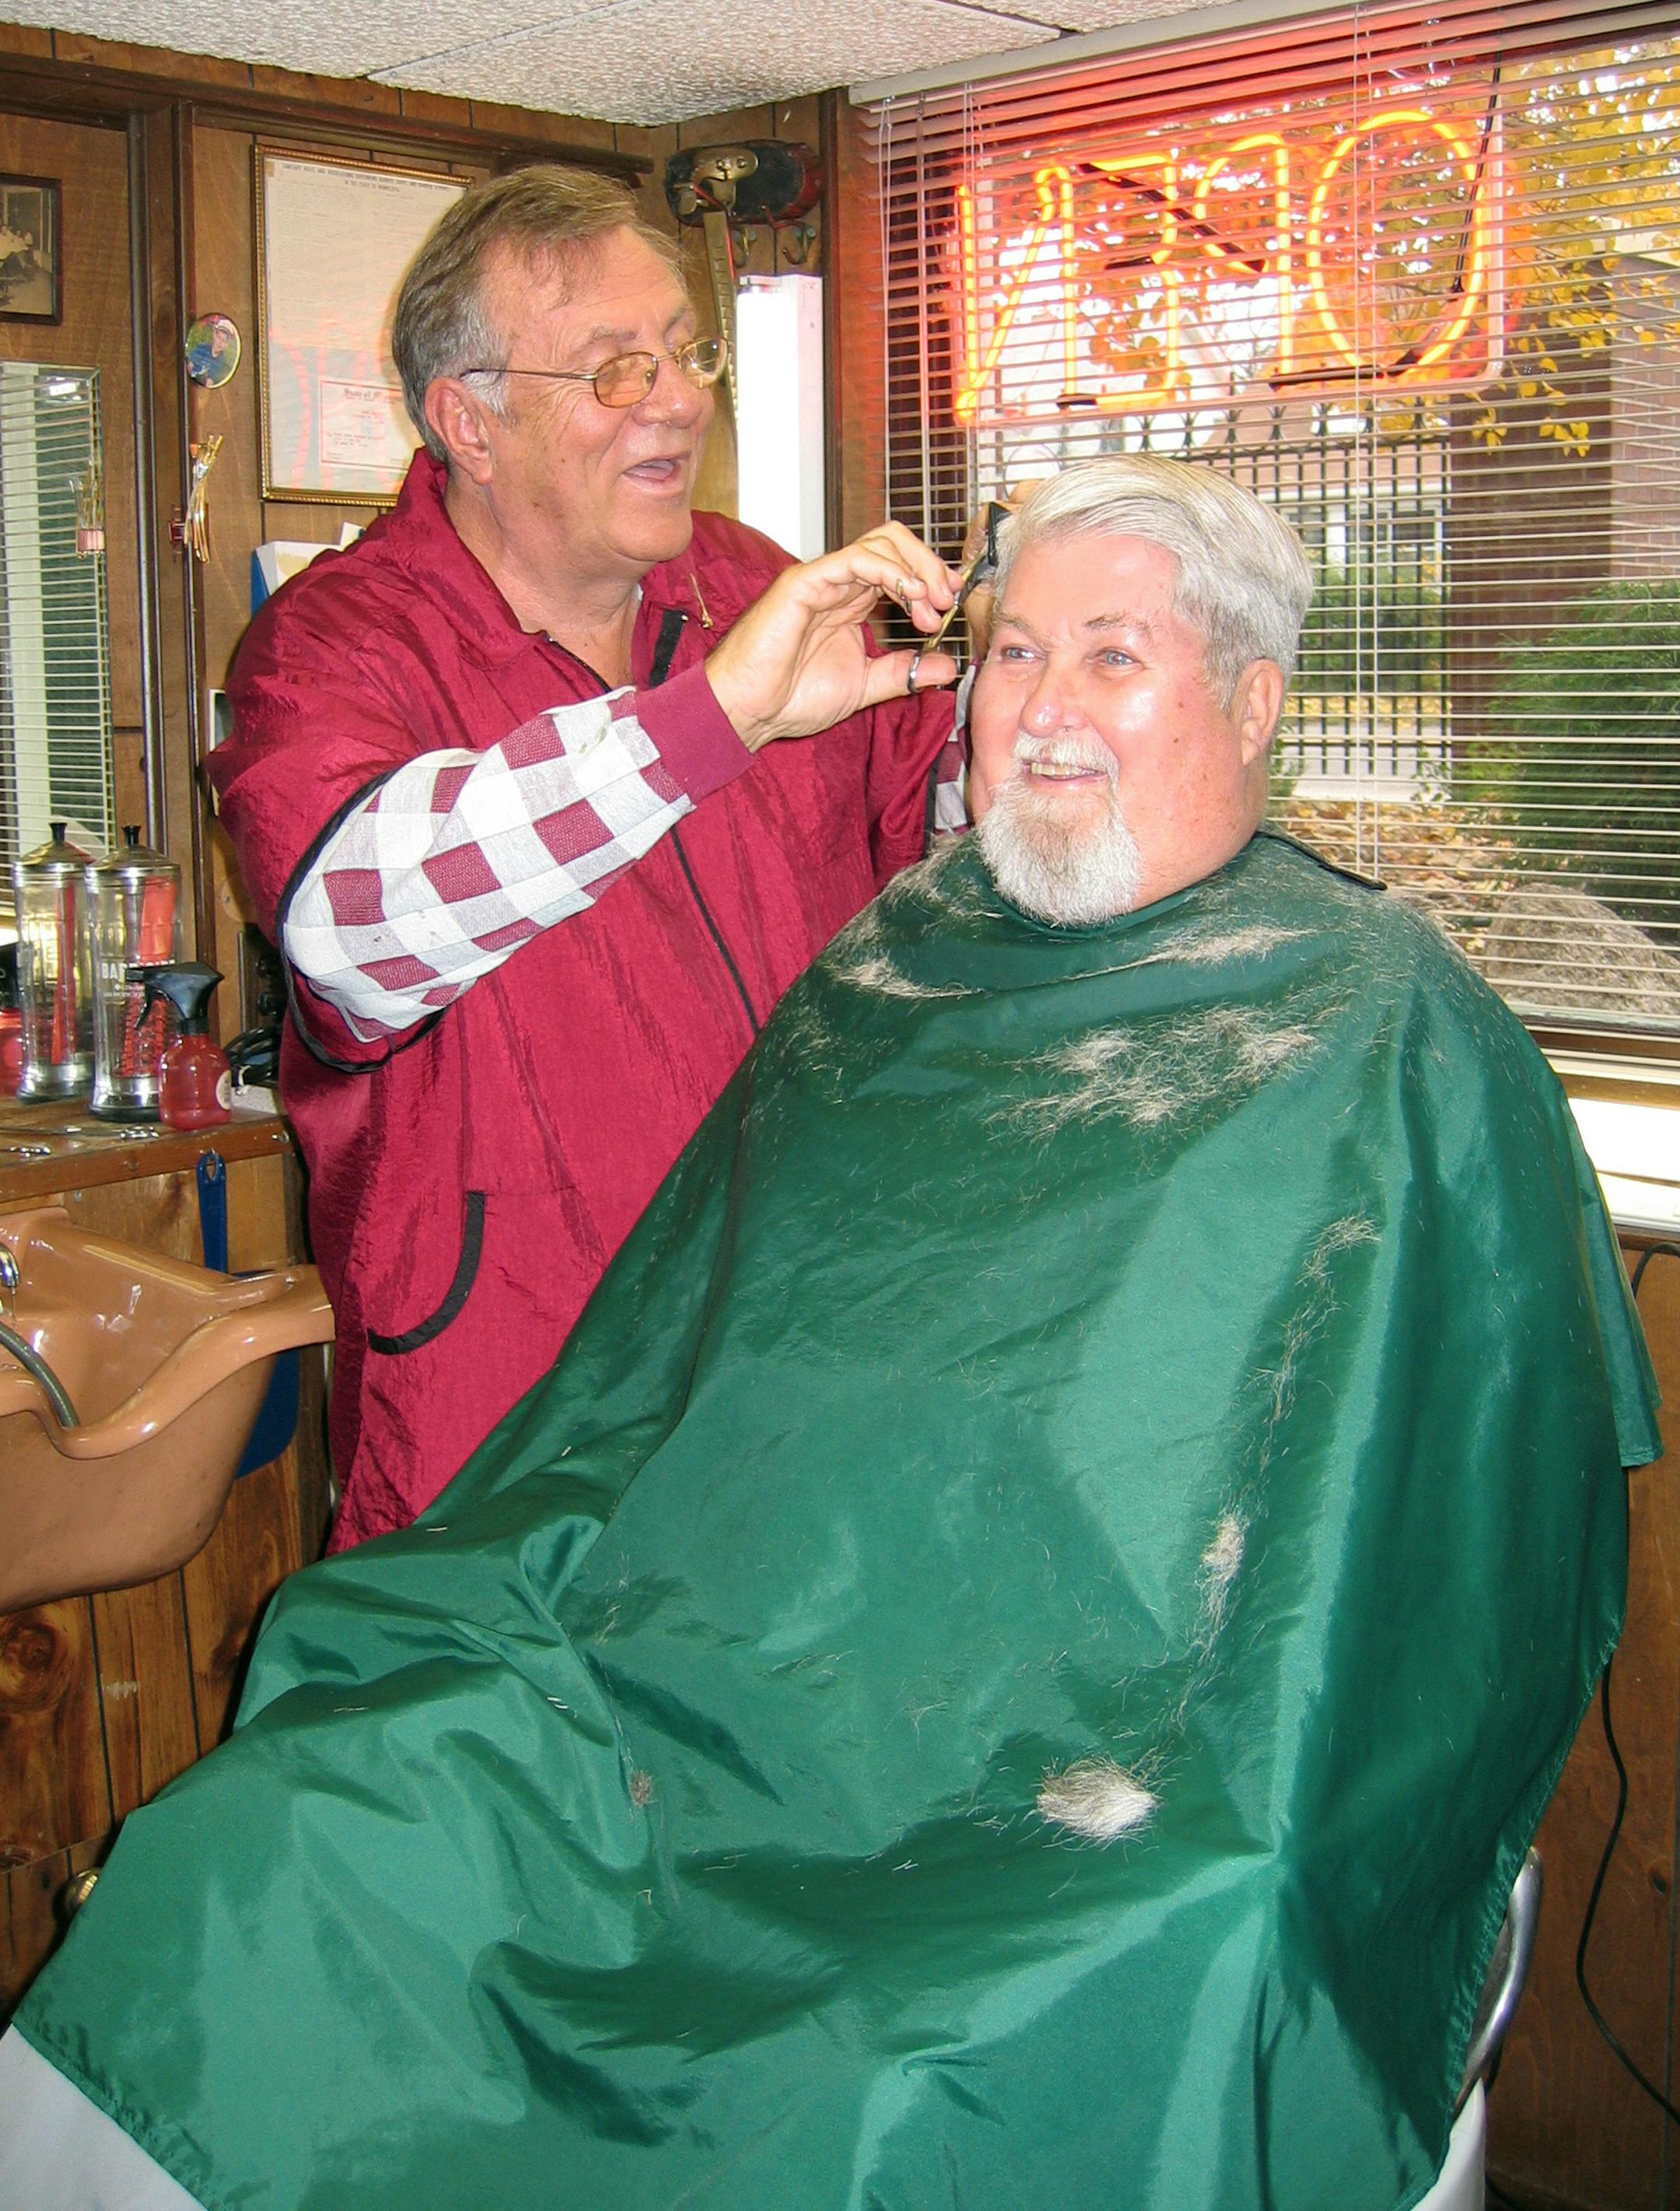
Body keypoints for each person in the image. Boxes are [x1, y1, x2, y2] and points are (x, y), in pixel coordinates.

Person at [2, 459, 1657, 2210]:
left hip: (1090, 1764)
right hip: (728, 1678)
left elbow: (1438, 1556)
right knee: (286, 1840)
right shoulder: (901, 966)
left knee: (923, 2052)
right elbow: (679, 1382)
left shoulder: (1390, 1027)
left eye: (1114, 657)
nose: (1043, 708)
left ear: (1253, 706)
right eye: (1013, 654)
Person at [206, 163, 958, 1546]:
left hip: (788, 1376)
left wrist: (1040, 676)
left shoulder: (752, 587)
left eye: (686, 352)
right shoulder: (335, 649)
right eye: (614, 368)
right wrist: (712, 718)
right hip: (508, 1415)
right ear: (469, 422)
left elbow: (936, 854)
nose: (676, 399)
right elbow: (353, 928)